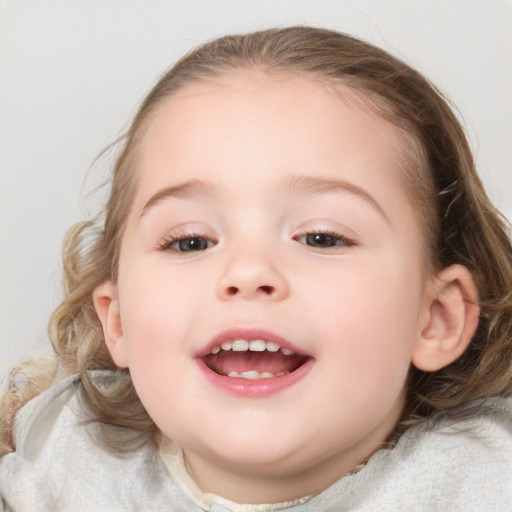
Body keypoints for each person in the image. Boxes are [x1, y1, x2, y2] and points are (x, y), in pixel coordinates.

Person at [1, 26, 511, 511]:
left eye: (321, 237)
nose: (247, 271)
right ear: (118, 320)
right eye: (190, 242)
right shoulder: (66, 455)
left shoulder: (485, 480)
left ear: (436, 318)